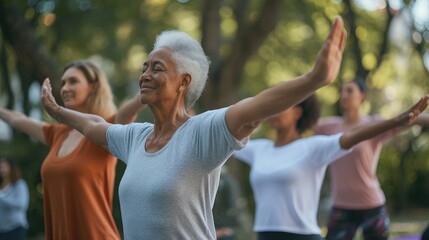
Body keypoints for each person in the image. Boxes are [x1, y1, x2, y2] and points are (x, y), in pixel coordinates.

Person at [39, 17, 347, 239]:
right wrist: (59, 112)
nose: (145, 75)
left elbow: (256, 106)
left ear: (184, 81)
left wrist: (314, 80)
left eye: (156, 68)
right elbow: (94, 126)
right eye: (144, 67)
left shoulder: (202, 132)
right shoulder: (136, 137)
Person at [233, 94, 428, 240]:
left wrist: (395, 122)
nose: (273, 110)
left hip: (303, 236)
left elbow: (354, 136)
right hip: (264, 235)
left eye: (282, 105)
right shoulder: (258, 149)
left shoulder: (313, 147)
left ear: (298, 113)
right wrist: (248, 120)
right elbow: (223, 137)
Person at [0, 60, 145, 240]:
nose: (65, 88)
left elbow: (125, 113)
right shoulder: (57, 134)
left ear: (93, 87)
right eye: (63, 83)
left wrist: (149, 87)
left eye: (73, 81)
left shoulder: (106, 131)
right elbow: (16, 119)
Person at [313, 78, 429, 240]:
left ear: (363, 96)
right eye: (342, 91)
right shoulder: (330, 126)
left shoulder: (374, 124)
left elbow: (412, 120)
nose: (343, 95)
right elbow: (299, 123)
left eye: (349, 91)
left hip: (372, 206)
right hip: (341, 207)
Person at [0, 157, 29, 240]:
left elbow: (21, 204)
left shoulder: (19, 185)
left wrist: (1, 197)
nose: (1, 169)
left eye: (3, 167)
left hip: (16, 228)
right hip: (2, 229)